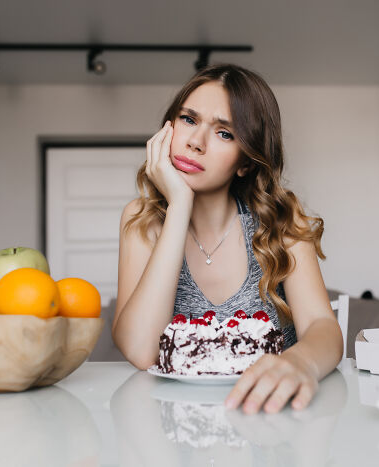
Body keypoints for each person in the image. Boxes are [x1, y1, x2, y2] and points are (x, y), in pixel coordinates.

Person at [112, 63, 343, 414]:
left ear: (246, 162)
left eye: (224, 133)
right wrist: (179, 206)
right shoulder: (141, 219)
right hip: (176, 423)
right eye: (188, 120)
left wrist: (303, 364)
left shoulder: (281, 218)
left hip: (273, 419)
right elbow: (142, 351)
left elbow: (321, 326)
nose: (195, 142)